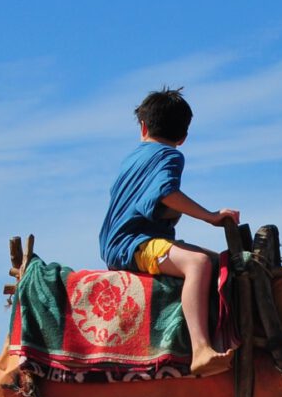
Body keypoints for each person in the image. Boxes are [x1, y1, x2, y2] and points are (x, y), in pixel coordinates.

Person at [98, 88, 240, 377]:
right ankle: (200, 349)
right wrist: (211, 217)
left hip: (130, 240)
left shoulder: (133, 158)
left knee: (217, 262)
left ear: (143, 127)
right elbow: (166, 193)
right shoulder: (169, 155)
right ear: (183, 137)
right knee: (198, 264)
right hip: (133, 244)